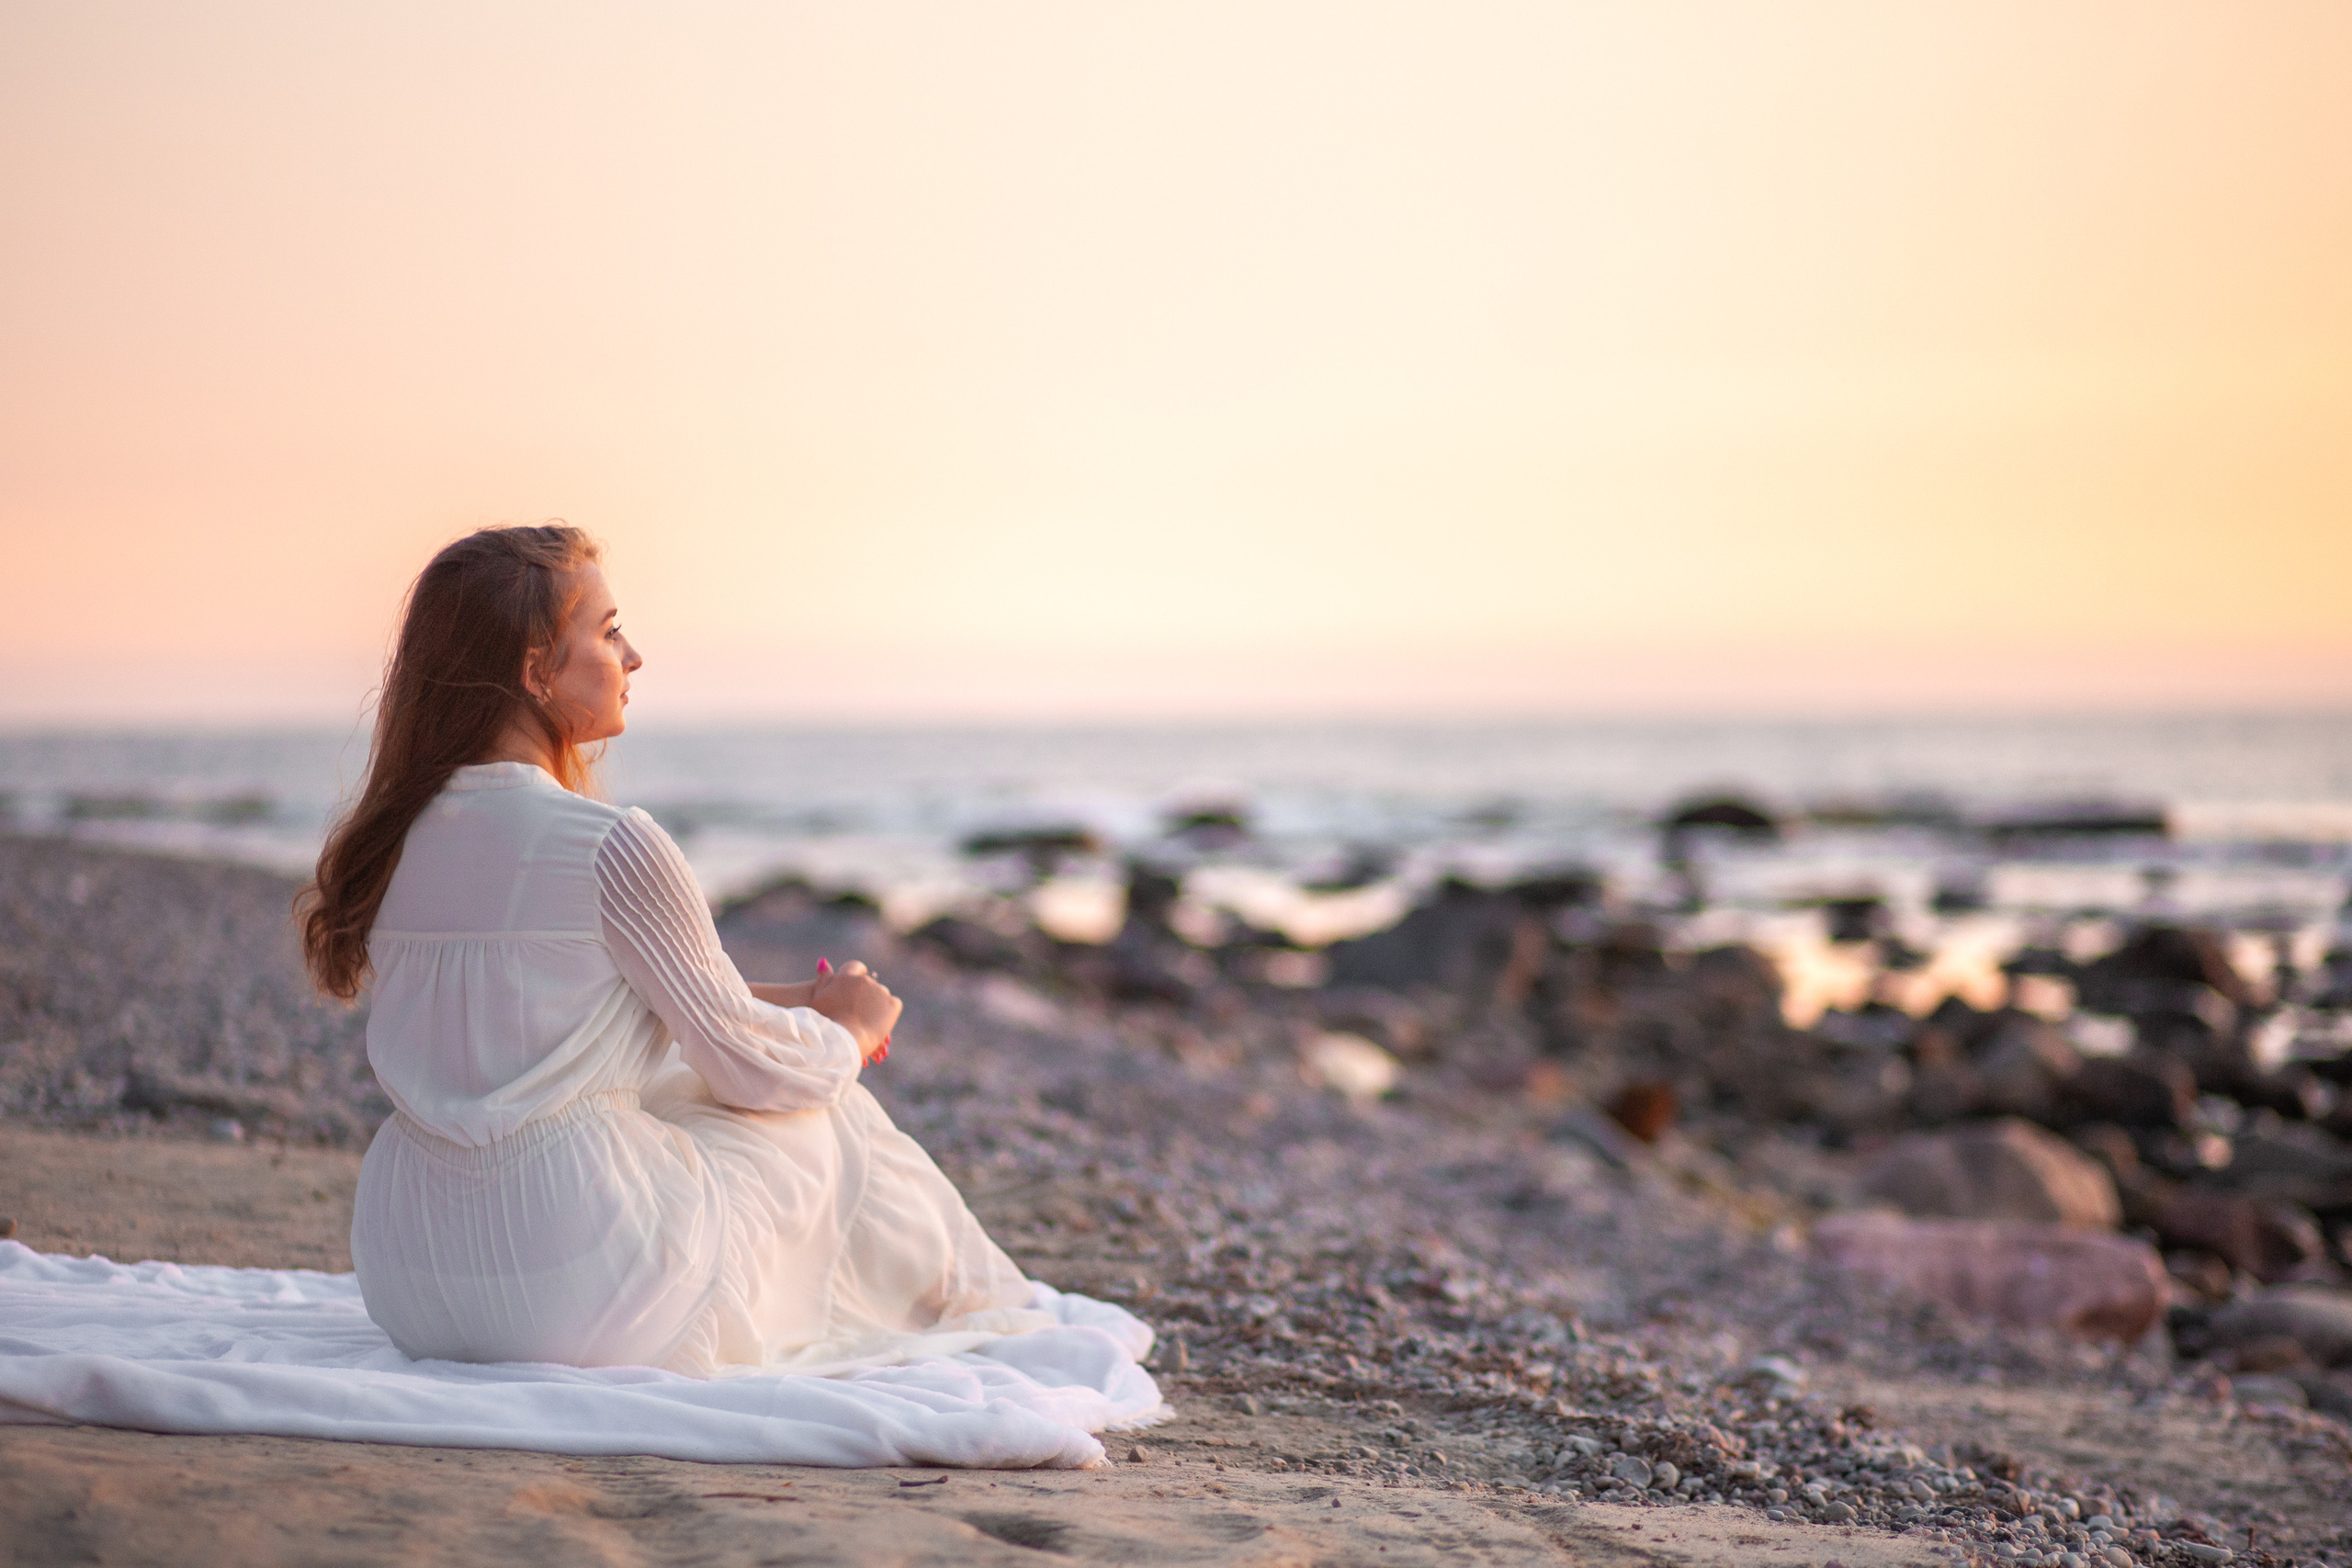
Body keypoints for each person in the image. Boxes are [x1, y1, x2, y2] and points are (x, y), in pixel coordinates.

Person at [299, 525, 1047, 1374]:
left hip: (410, 1273)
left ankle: (965, 1297)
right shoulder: (610, 844)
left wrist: (806, 1001)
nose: (634, 656)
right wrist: (847, 1034)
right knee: (821, 1109)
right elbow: (747, 1067)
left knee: (677, 1084)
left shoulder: (393, 842)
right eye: (610, 630)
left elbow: (596, 998)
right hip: (578, 1273)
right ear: (536, 669)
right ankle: (979, 1304)